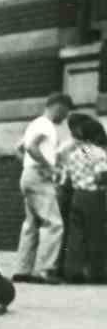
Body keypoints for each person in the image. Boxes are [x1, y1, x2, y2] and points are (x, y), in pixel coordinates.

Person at [14, 92, 71, 284]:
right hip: (39, 176)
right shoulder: (45, 125)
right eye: (66, 111)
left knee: (31, 224)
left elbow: (19, 148)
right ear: (59, 106)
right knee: (54, 224)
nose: (65, 117)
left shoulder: (34, 123)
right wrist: (48, 167)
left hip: (28, 175)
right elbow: (31, 147)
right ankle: (45, 271)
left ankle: (22, 270)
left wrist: (28, 166)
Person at [56, 110, 107, 282]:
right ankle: (97, 273)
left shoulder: (75, 153)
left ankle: (73, 272)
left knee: (76, 235)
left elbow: (66, 177)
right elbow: (102, 175)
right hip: (94, 196)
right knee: (96, 234)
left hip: (77, 195)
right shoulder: (97, 153)